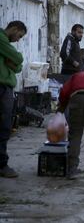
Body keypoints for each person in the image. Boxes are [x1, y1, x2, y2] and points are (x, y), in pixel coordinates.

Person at [0, 21, 26, 178]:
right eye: (19, 35)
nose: (18, 39)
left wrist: (13, 61)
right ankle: (2, 164)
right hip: (2, 88)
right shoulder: (1, 39)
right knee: (3, 127)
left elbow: (17, 67)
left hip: (6, 89)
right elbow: (17, 58)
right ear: (14, 29)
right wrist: (15, 59)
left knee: (4, 127)